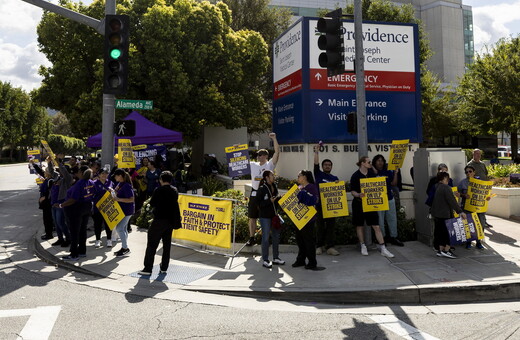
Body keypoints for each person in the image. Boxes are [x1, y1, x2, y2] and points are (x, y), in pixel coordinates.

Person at [350, 156, 395, 258]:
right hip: (359, 203)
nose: (371, 163)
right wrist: (358, 194)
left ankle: (383, 247)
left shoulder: (371, 173)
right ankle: (362, 245)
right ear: (362, 163)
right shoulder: (355, 176)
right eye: (369, 162)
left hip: (370, 203)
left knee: (376, 225)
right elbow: (352, 190)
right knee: (359, 225)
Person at [139, 171, 181, 276]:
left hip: (159, 220)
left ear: (161, 180)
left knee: (152, 244)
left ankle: (148, 268)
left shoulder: (158, 190)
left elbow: (152, 203)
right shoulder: (174, 190)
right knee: (167, 246)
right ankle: (164, 267)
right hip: (170, 221)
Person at [246, 133, 280, 246]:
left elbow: (277, 152)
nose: (259, 156)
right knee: (252, 217)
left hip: (265, 193)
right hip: (255, 193)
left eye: (261, 155)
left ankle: (266, 238)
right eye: (258, 155)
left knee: (266, 217)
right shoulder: (253, 165)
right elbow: (238, 163)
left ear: (266, 156)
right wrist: (236, 150)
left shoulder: (270, 165)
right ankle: (251, 238)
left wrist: (274, 139)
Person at [57, 166, 94, 261]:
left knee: (74, 232)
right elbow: (94, 193)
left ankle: (74, 254)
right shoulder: (90, 182)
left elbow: (73, 199)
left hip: (76, 210)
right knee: (82, 231)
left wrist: (61, 205)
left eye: (77, 172)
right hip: (86, 208)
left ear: (81, 172)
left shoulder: (80, 184)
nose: (76, 173)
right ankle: (82, 251)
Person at [313, 143, 340, 256]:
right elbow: (315, 164)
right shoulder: (318, 174)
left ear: (331, 167)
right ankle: (319, 246)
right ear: (323, 167)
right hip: (319, 206)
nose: (327, 166)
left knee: (330, 227)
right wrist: (316, 151)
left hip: (331, 206)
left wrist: (338, 185)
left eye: (329, 165)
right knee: (319, 227)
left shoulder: (335, 178)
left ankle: (330, 247)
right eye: (325, 165)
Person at [431, 172, 467, 258]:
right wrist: (460, 211)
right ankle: (446, 250)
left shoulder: (436, 187)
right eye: (447, 178)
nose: (448, 180)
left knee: (440, 233)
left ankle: (440, 251)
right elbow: (452, 201)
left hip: (437, 214)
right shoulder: (446, 188)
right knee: (448, 234)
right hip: (445, 214)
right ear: (444, 179)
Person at [372, 154, 404, 247]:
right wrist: (373, 171)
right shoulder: (372, 172)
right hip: (378, 199)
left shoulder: (387, 171)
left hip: (389, 197)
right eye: (378, 160)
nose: (380, 162)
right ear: (375, 162)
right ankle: (382, 238)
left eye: (382, 160)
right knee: (380, 220)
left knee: (392, 219)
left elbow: (394, 183)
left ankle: (394, 237)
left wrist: (395, 173)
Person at [292, 170, 321, 270]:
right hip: (298, 218)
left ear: (304, 177)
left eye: (299, 175)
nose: (298, 177)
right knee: (300, 241)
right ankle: (301, 260)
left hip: (308, 219)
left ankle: (312, 262)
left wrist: (304, 193)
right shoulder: (299, 188)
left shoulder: (312, 187)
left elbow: (315, 200)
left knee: (308, 241)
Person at [256, 170, 285, 268]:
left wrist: (280, 198)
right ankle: (265, 259)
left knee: (276, 237)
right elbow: (259, 204)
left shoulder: (274, 186)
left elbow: (275, 201)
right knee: (265, 238)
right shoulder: (261, 189)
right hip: (265, 217)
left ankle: (276, 258)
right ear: (267, 177)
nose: (274, 176)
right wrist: (269, 201)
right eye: (272, 175)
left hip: (274, 216)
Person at [458, 165, 490, 250]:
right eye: (466, 172)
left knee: (480, 224)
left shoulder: (480, 182)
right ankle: (469, 242)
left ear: (474, 172)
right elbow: (458, 193)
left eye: (470, 171)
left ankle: (478, 242)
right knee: (469, 224)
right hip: (467, 207)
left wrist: (488, 197)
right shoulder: (463, 183)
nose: (468, 173)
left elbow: (486, 193)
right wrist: (464, 195)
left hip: (479, 208)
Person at [111, 169, 135, 257]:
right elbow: (116, 192)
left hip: (127, 210)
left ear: (120, 176)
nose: (114, 177)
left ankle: (125, 248)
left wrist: (118, 199)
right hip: (123, 210)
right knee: (123, 229)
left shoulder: (127, 186)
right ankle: (124, 247)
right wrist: (112, 191)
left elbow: (131, 199)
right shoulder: (120, 184)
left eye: (116, 175)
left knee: (119, 228)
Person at [467, 148, 492, 228]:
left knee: (484, 205)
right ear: (473, 154)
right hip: (476, 189)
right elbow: (469, 176)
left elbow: (486, 174)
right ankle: (479, 223)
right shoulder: (470, 164)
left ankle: (484, 221)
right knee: (477, 207)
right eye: (477, 154)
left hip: (484, 188)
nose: (478, 155)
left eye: (479, 154)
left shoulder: (482, 164)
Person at [92, 168, 114, 247]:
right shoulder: (94, 183)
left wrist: (112, 192)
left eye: (106, 173)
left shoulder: (110, 182)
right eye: (102, 173)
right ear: (99, 175)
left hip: (108, 207)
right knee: (97, 224)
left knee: (108, 224)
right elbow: (91, 195)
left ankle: (109, 239)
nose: (104, 175)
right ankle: (98, 240)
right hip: (98, 207)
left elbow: (114, 194)